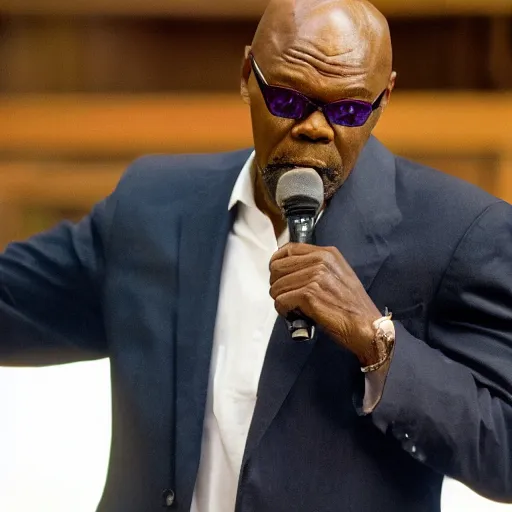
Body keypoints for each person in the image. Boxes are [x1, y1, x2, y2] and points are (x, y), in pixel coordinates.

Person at [1, 0, 511, 510]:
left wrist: (379, 344)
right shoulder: (153, 206)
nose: (315, 126)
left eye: (349, 110)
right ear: (248, 74)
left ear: (384, 98)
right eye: (289, 100)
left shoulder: (459, 234)